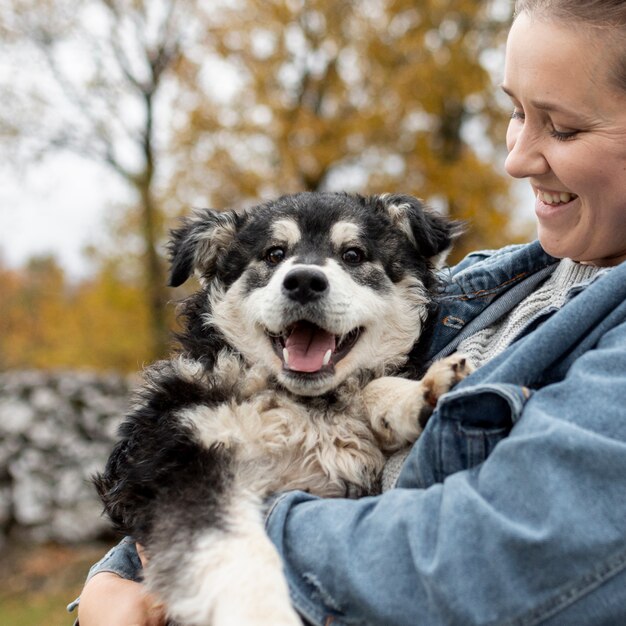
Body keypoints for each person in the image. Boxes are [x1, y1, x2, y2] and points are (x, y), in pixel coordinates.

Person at [71, 0, 626, 623]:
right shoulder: (479, 288)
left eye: (563, 128)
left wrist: (223, 527)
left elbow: (495, 556)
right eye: (515, 112)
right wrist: (118, 575)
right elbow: (205, 454)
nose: (515, 159)